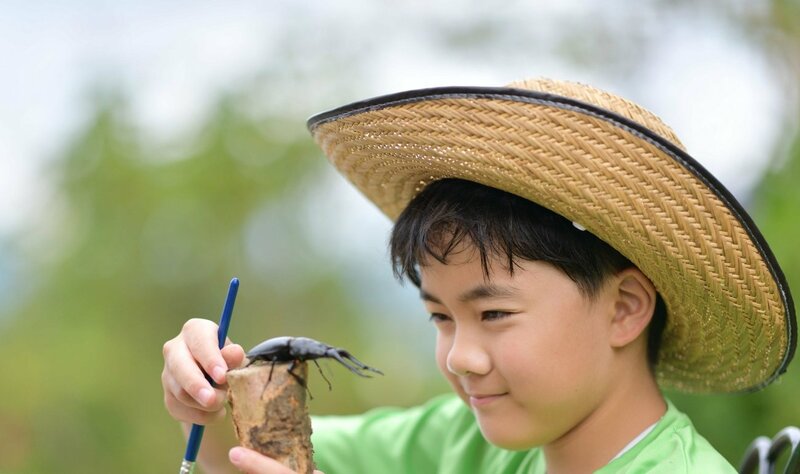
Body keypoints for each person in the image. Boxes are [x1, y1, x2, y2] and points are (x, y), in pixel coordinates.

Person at [161, 78, 797, 473]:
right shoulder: (468, 442)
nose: (460, 357)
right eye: (440, 317)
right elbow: (249, 454)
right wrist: (208, 405)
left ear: (626, 307)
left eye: (493, 314)